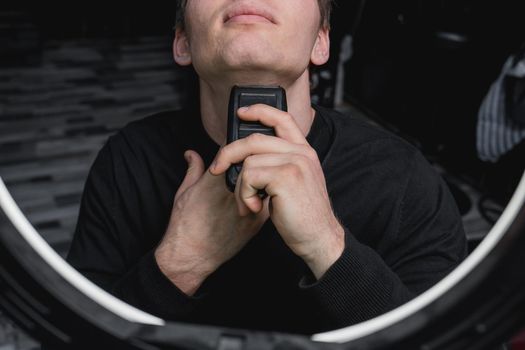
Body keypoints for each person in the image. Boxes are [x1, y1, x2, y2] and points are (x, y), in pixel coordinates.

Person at [67, 0, 467, 334]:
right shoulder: (128, 161)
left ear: (320, 42)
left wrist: (327, 245)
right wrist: (180, 263)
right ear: (183, 43)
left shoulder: (405, 180)